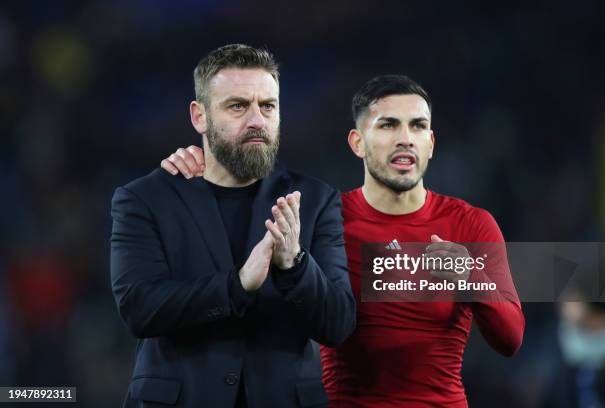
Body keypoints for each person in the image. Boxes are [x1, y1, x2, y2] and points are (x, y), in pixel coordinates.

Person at [162, 74, 525, 407]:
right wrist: (202, 165)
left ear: (430, 143)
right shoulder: (323, 218)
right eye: (388, 125)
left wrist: (471, 279)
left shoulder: (471, 224)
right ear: (357, 142)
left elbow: (510, 340)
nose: (405, 138)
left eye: (418, 126)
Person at [110, 44, 356, 408]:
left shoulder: (317, 200)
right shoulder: (145, 199)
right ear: (200, 117)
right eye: (238, 106)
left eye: (267, 106)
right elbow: (139, 309)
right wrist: (237, 286)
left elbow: (338, 325)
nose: (257, 119)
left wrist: (296, 266)